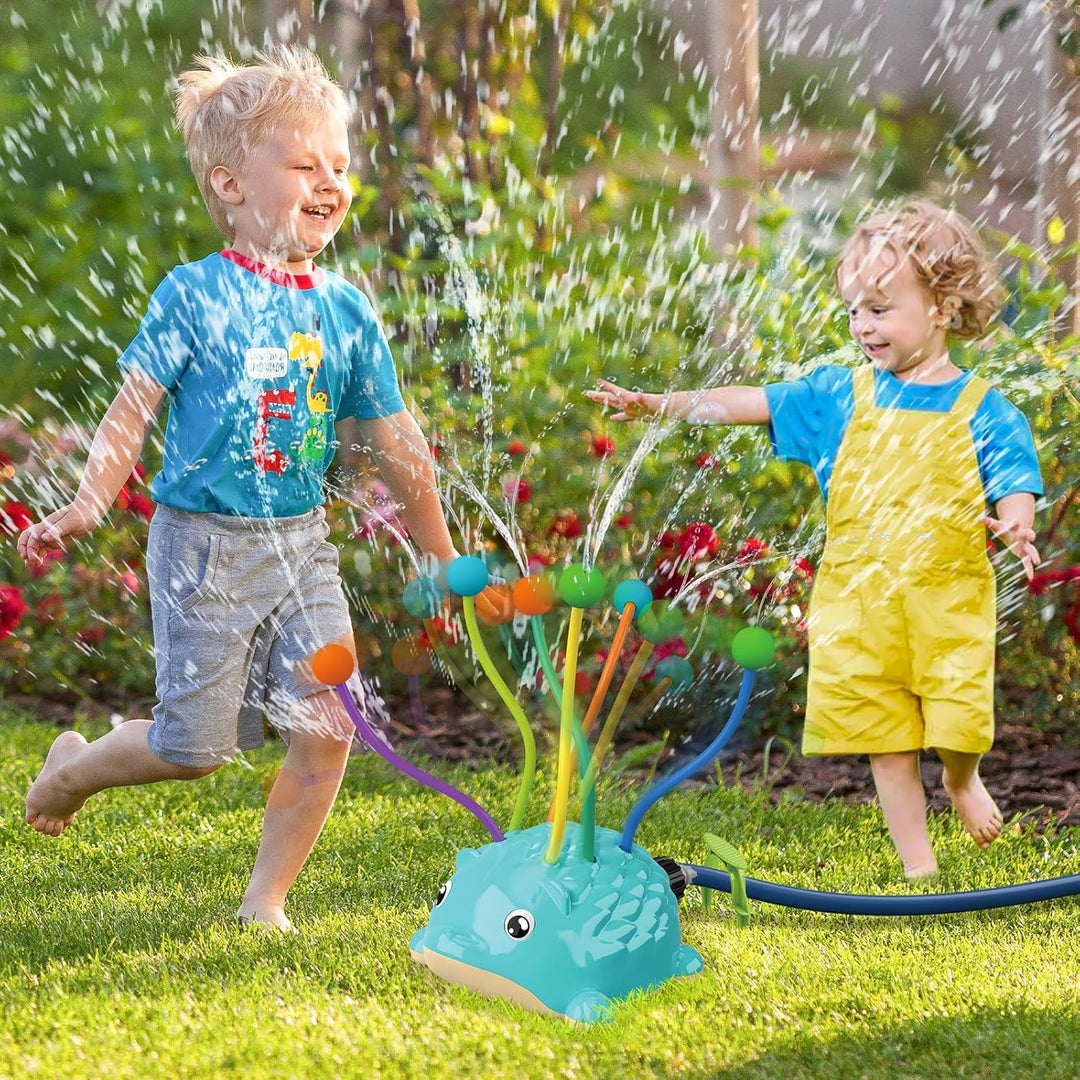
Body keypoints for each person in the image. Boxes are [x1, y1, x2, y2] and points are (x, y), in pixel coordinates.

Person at [18, 46, 473, 930]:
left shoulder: (346, 310)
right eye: (304, 164)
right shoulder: (193, 295)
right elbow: (131, 406)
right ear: (230, 186)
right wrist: (90, 498)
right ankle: (71, 768)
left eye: (339, 166)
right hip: (203, 549)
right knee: (193, 752)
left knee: (329, 722)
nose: (329, 182)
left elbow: (395, 439)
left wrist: (443, 551)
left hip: (302, 544)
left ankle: (264, 899)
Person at [588, 201, 1043, 879]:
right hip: (859, 604)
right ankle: (919, 870)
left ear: (943, 308)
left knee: (958, 720)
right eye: (855, 310)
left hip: (948, 603)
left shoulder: (983, 408)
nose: (863, 326)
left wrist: (1017, 520)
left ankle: (961, 778)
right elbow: (750, 401)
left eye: (881, 309)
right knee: (887, 742)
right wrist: (661, 405)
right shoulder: (840, 394)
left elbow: (1013, 473)